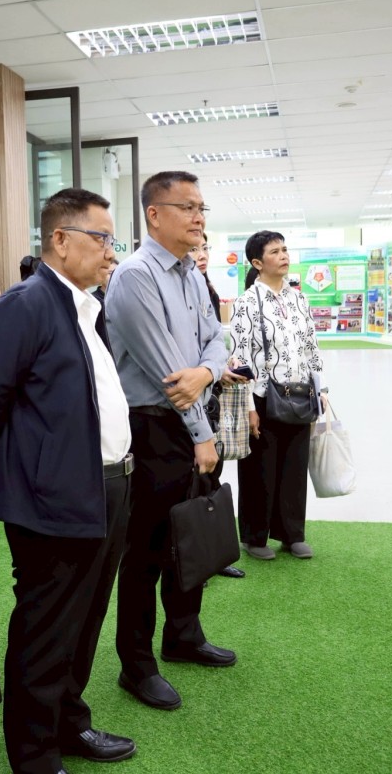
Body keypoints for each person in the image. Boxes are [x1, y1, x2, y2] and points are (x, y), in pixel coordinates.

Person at [0, 188, 136, 774]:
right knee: (46, 628)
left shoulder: (87, 306)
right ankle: (34, 753)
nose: (112, 251)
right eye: (103, 238)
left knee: (85, 619)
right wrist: (27, 481)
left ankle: (69, 723)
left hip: (108, 487)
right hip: (54, 499)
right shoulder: (28, 303)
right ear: (60, 240)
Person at [105, 170, 237, 713]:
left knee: (191, 535)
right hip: (154, 428)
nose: (199, 218)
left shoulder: (189, 273)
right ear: (154, 214)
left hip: (191, 417)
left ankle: (183, 635)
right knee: (146, 551)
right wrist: (202, 435)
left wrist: (206, 372)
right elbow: (167, 374)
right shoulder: (135, 276)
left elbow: (217, 341)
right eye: (188, 207)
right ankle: (136, 665)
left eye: (202, 208)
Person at [229, 231, 328, 561]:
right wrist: (248, 406)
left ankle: (292, 535)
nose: (284, 255)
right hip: (261, 396)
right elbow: (241, 356)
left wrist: (321, 389)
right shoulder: (247, 302)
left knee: (295, 467)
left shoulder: (299, 299)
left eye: (285, 249)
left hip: (300, 393)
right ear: (257, 263)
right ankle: (254, 537)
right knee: (259, 469)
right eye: (275, 251)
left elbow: (311, 346)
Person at [189, 236, 245, 580]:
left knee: (212, 476)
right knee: (193, 482)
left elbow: (211, 340)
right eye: (193, 249)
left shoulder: (205, 287)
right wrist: (212, 369)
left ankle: (211, 555)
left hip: (209, 398)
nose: (201, 255)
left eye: (204, 248)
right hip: (187, 400)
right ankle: (193, 557)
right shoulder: (174, 287)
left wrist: (220, 364)